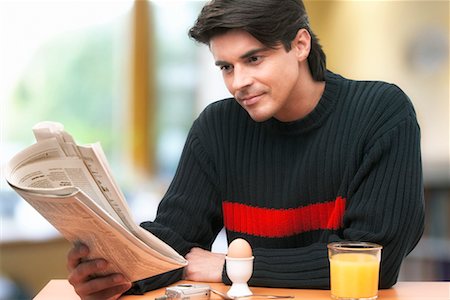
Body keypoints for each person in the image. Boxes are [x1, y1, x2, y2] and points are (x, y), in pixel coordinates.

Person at [67, 0, 425, 299]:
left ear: (300, 45)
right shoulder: (217, 127)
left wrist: (230, 267)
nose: (238, 83)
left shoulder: (381, 113)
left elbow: (377, 259)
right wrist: (119, 272)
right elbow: (175, 243)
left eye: (254, 59)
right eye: (226, 66)